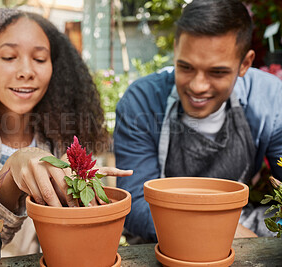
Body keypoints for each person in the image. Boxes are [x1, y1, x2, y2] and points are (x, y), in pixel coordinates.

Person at [0, 8, 132, 256]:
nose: (26, 71)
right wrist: (13, 172)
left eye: (40, 59)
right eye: (9, 57)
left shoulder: (67, 131)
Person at [114, 0, 282, 243]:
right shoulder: (142, 102)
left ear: (245, 63)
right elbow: (135, 203)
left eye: (217, 72)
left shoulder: (270, 99)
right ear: (175, 49)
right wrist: (214, 230)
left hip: (239, 221)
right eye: (186, 67)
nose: (197, 86)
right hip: (161, 232)